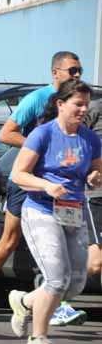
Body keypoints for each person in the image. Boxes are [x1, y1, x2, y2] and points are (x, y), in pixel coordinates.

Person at [0, 51, 87, 325]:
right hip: (26, 180)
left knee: (59, 243)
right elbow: (5, 133)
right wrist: (39, 147)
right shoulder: (37, 99)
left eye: (80, 70)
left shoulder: (76, 104)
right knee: (9, 241)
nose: (77, 75)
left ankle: (59, 303)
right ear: (55, 72)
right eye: (72, 70)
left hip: (59, 186)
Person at [8, 79, 101, 344]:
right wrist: (45, 185)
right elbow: (19, 174)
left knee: (75, 283)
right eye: (78, 104)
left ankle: (24, 301)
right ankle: (38, 339)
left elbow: (96, 173)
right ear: (60, 104)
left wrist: (94, 177)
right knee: (56, 280)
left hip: (73, 210)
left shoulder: (90, 139)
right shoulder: (43, 134)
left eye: (86, 104)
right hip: (41, 210)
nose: (83, 109)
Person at [82, 98, 102, 283]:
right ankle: (50, 285)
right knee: (95, 263)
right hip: (96, 196)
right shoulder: (96, 108)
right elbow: (74, 140)